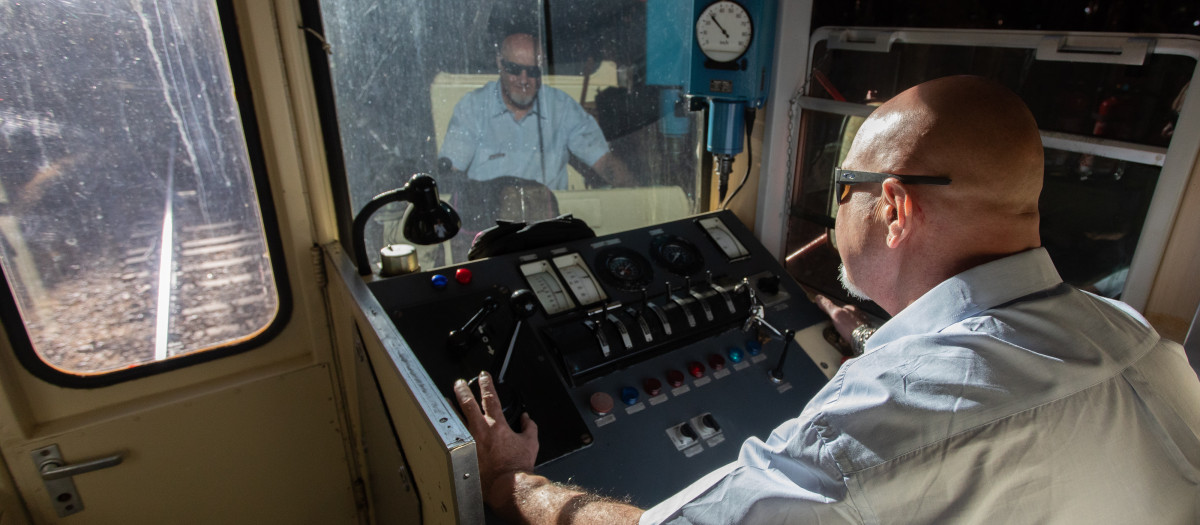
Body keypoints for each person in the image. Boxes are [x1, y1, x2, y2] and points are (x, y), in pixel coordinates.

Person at [453, 75, 1200, 524]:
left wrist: (511, 482)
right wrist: (882, 343)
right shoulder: (1137, 341)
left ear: (897, 209)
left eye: (843, 188)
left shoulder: (895, 411)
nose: (836, 206)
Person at [439, 32, 632, 191]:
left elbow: (605, 163)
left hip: (549, 224)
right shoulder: (473, 106)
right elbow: (450, 176)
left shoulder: (561, 107)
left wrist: (638, 194)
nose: (524, 80)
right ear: (500, 63)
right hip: (492, 225)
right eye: (515, 69)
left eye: (533, 72)